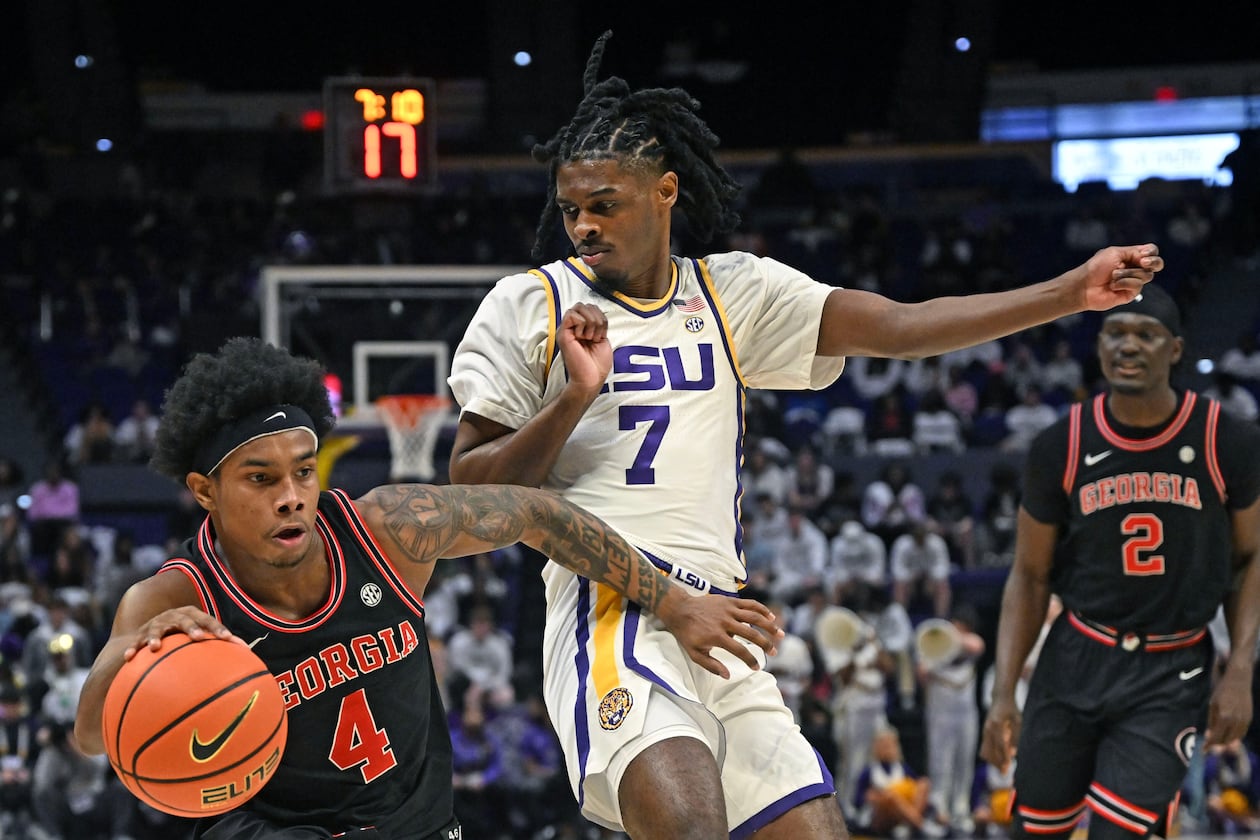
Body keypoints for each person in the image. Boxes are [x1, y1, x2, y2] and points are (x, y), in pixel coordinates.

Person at [446, 30, 1162, 840]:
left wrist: (1069, 292)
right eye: (571, 210)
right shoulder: (528, 305)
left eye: (604, 205)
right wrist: (575, 396)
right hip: (611, 607)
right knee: (687, 827)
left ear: (665, 192)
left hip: (719, 618)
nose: (582, 227)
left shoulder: (732, 292)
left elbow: (902, 326)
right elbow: (471, 492)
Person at [72, 336, 781, 840]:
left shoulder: (387, 531)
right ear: (205, 490)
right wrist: (122, 654)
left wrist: (673, 600)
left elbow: (535, 511)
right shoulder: (173, 601)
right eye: (261, 478)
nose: (292, 496)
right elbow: (90, 739)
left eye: (304, 470)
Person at [980, 283, 1260, 840]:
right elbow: (1031, 575)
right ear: (1100, 345)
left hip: (1172, 666)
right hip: (1075, 656)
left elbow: (1252, 558)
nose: (1128, 346)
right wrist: (1003, 691)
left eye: (1145, 335)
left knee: (1119, 833)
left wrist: (1241, 670)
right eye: (1115, 333)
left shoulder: (1224, 439)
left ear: (1176, 349)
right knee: (1035, 829)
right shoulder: (1060, 445)